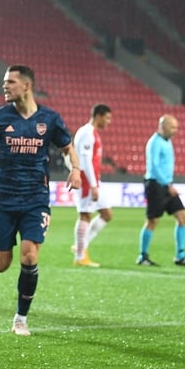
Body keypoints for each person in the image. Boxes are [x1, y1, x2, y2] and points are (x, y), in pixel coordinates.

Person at [0, 65, 81, 336]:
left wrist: (76, 168)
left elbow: (68, 147)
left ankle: (20, 318)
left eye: (10, 82)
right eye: (4, 82)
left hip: (35, 200)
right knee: (3, 264)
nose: (5, 86)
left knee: (29, 255)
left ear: (26, 86)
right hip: (3, 199)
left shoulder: (49, 119)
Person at [137, 114, 185, 267]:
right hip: (155, 185)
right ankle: (143, 256)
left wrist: (168, 183)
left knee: (182, 217)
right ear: (162, 127)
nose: (175, 130)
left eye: (176, 127)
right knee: (152, 220)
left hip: (166, 185)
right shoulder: (154, 143)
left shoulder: (167, 142)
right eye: (172, 127)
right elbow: (154, 167)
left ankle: (180, 255)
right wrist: (167, 184)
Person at [71, 104, 112, 267]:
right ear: (99, 116)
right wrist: (93, 185)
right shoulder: (87, 133)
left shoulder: (91, 133)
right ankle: (81, 256)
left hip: (92, 180)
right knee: (85, 215)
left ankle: (80, 247)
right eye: (107, 118)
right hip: (86, 180)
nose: (109, 122)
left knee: (107, 214)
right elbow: (86, 161)